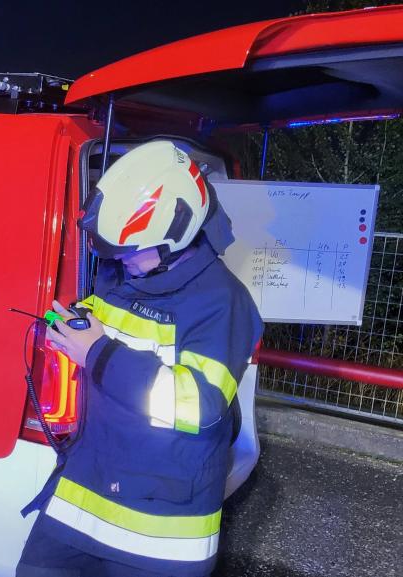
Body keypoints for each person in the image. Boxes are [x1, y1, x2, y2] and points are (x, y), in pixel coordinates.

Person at [16, 140, 264, 577]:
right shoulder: (129, 271)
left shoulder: (223, 303)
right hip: (83, 493)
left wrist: (96, 352)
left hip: (159, 531)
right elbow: (113, 332)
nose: (118, 259)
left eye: (128, 249)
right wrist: (76, 326)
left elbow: (198, 405)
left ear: (175, 236)